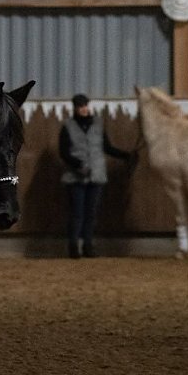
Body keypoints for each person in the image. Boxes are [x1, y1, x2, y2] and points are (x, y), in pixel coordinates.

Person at [59, 93, 133, 259]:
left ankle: (88, 245)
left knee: (91, 213)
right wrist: (78, 165)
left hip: (96, 174)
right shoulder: (68, 126)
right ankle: (73, 246)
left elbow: (107, 147)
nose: (84, 109)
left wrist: (125, 155)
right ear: (76, 108)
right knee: (77, 213)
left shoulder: (98, 125)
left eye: (85, 106)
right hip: (75, 176)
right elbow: (63, 152)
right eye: (80, 106)